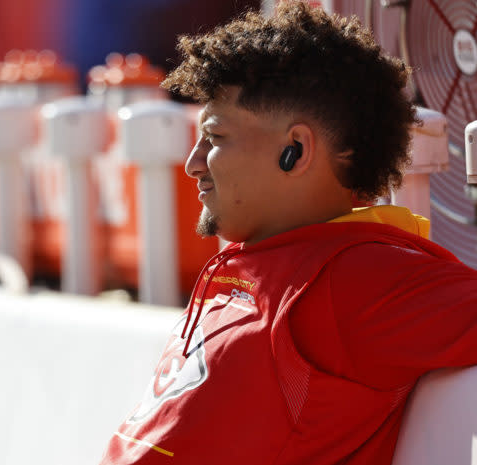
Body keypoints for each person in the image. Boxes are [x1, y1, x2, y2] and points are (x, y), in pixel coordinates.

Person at [98, 2, 477, 464]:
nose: (192, 163)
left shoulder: (357, 277)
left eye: (214, 139)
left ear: (294, 151)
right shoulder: (255, 262)